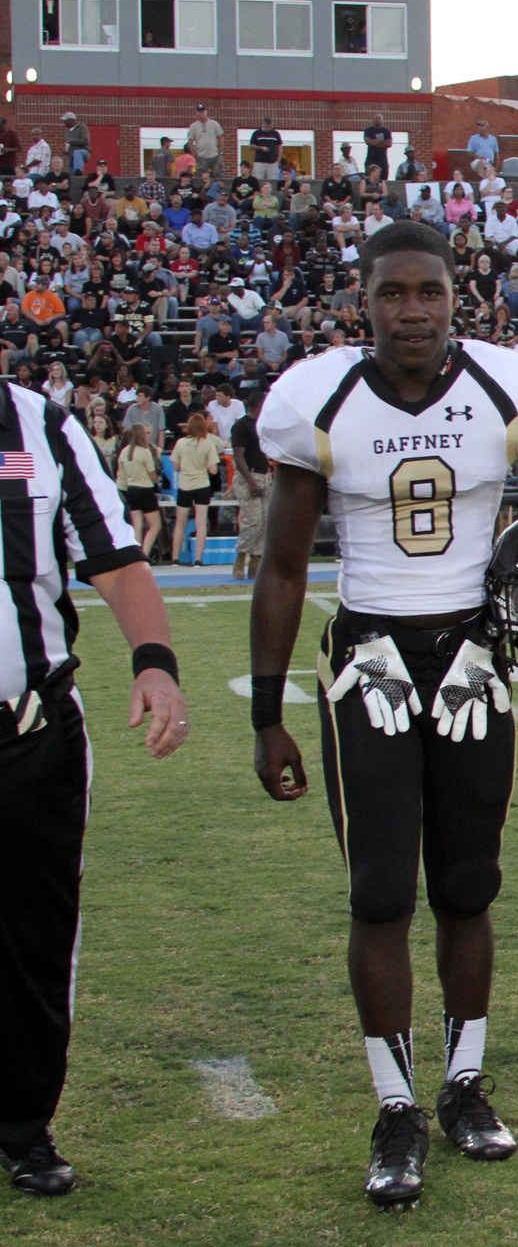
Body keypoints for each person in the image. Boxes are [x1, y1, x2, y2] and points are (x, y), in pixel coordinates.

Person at [247, 221, 518, 1206]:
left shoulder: (506, 390)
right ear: (364, 300)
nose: (412, 310)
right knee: (381, 891)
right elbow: (286, 565)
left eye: (429, 291)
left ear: (455, 297)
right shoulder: (320, 399)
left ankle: (464, 1080)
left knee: (467, 885)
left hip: (471, 654)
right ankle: (395, 1105)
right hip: (371, 657)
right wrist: (266, 711)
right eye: (393, 293)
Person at [0, 372, 188, 1197]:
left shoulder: (37, 421)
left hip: (27, 729)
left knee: (34, 943)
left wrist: (156, 665)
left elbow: (114, 561)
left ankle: (21, 1124)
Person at [228, 387, 271, 580]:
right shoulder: (241, 426)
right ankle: (241, 555)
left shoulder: (264, 425)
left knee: (265, 521)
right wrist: (251, 482)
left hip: (264, 473)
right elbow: (239, 456)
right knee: (252, 520)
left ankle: (257, 558)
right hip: (249, 475)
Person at [170, 410, 221, 565]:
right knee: (201, 523)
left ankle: (175, 558)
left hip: (185, 485)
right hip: (202, 484)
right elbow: (213, 470)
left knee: (180, 523)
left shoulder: (181, 443)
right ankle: (198, 559)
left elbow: (176, 466)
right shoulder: (208, 443)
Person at [116, 423, 166, 561]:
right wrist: (157, 478)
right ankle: (145, 552)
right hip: (145, 490)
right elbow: (152, 475)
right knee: (155, 525)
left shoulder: (125, 452)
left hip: (131, 489)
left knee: (138, 525)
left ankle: (136, 554)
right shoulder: (145, 452)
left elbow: (122, 473)